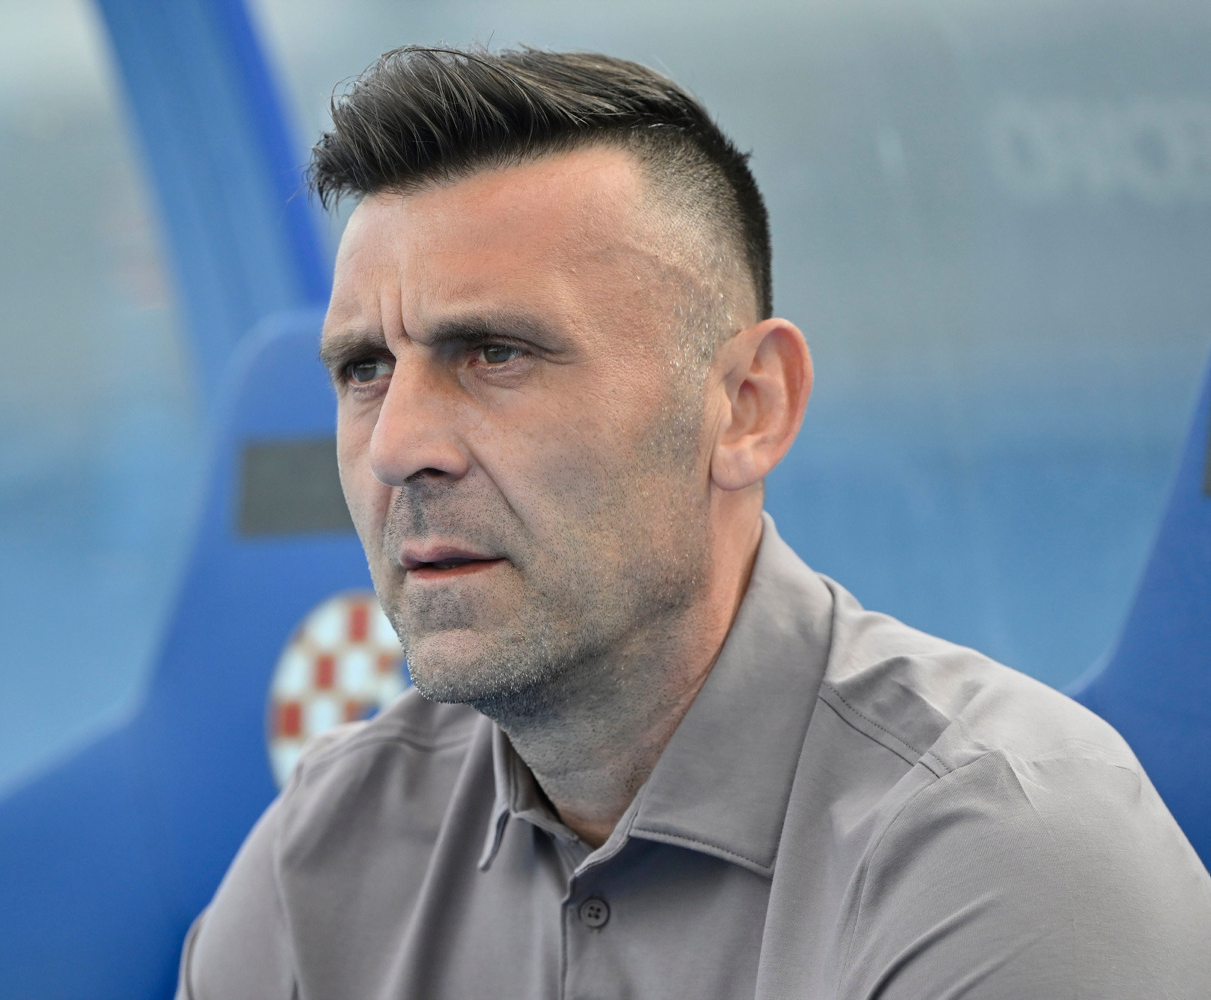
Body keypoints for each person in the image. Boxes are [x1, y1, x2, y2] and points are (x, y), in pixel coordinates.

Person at [177, 46, 1211, 999]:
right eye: (365, 369)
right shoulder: (325, 852)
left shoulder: (1005, 856)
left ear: (749, 406)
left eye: (495, 353)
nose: (399, 446)